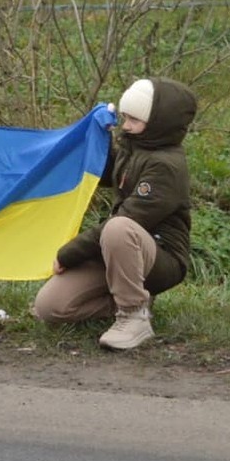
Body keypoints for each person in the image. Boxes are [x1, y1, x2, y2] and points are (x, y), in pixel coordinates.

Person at [32, 77, 197, 351]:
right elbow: (108, 173)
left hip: (160, 257)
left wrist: (69, 253)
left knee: (118, 227)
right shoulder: (135, 147)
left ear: (159, 122)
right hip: (117, 250)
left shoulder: (166, 167)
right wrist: (98, 137)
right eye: (124, 118)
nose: (126, 126)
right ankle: (133, 297)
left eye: (134, 120)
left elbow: (131, 220)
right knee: (50, 307)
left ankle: (133, 316)